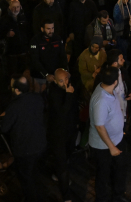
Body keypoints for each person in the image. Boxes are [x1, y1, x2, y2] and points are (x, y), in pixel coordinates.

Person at [0, 76, 46, 202]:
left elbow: (4, 128)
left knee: (26, 178)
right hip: (40, 144)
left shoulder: (14, 105)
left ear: (17, 90)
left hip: (25, 148)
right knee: (35, 173)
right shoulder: (37, 98)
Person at [89, 66, 128, 202]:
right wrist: (111, 147)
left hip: (117, 139)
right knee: (103, 175)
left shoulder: (108, 89)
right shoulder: (101, 99)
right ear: (115, 81)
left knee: (120, 169)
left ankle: (117, 196)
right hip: (104, 146)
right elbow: (99, 126)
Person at [47, 69, 78, 202]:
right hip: (58, 133)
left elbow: (74, 109)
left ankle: (56, 172)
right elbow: (62, 113)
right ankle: (66, 195)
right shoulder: (54, 93)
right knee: (62, 165)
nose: (65, 82)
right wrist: (69, 95)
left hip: (70, 131)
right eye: (61, 80)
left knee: (68, 153)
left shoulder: (70, 88)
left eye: (66, 79)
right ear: (55, 80)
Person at [29, 18, 68, 90]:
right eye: (48, 29)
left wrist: (65, 70)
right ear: (42, 29)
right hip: (40, 76)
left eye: (52, 28)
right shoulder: (35, 40)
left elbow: (63, 56)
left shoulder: (57, 39)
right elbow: (35, 60)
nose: (51, 31)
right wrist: (46, 75)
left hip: (55, 75)